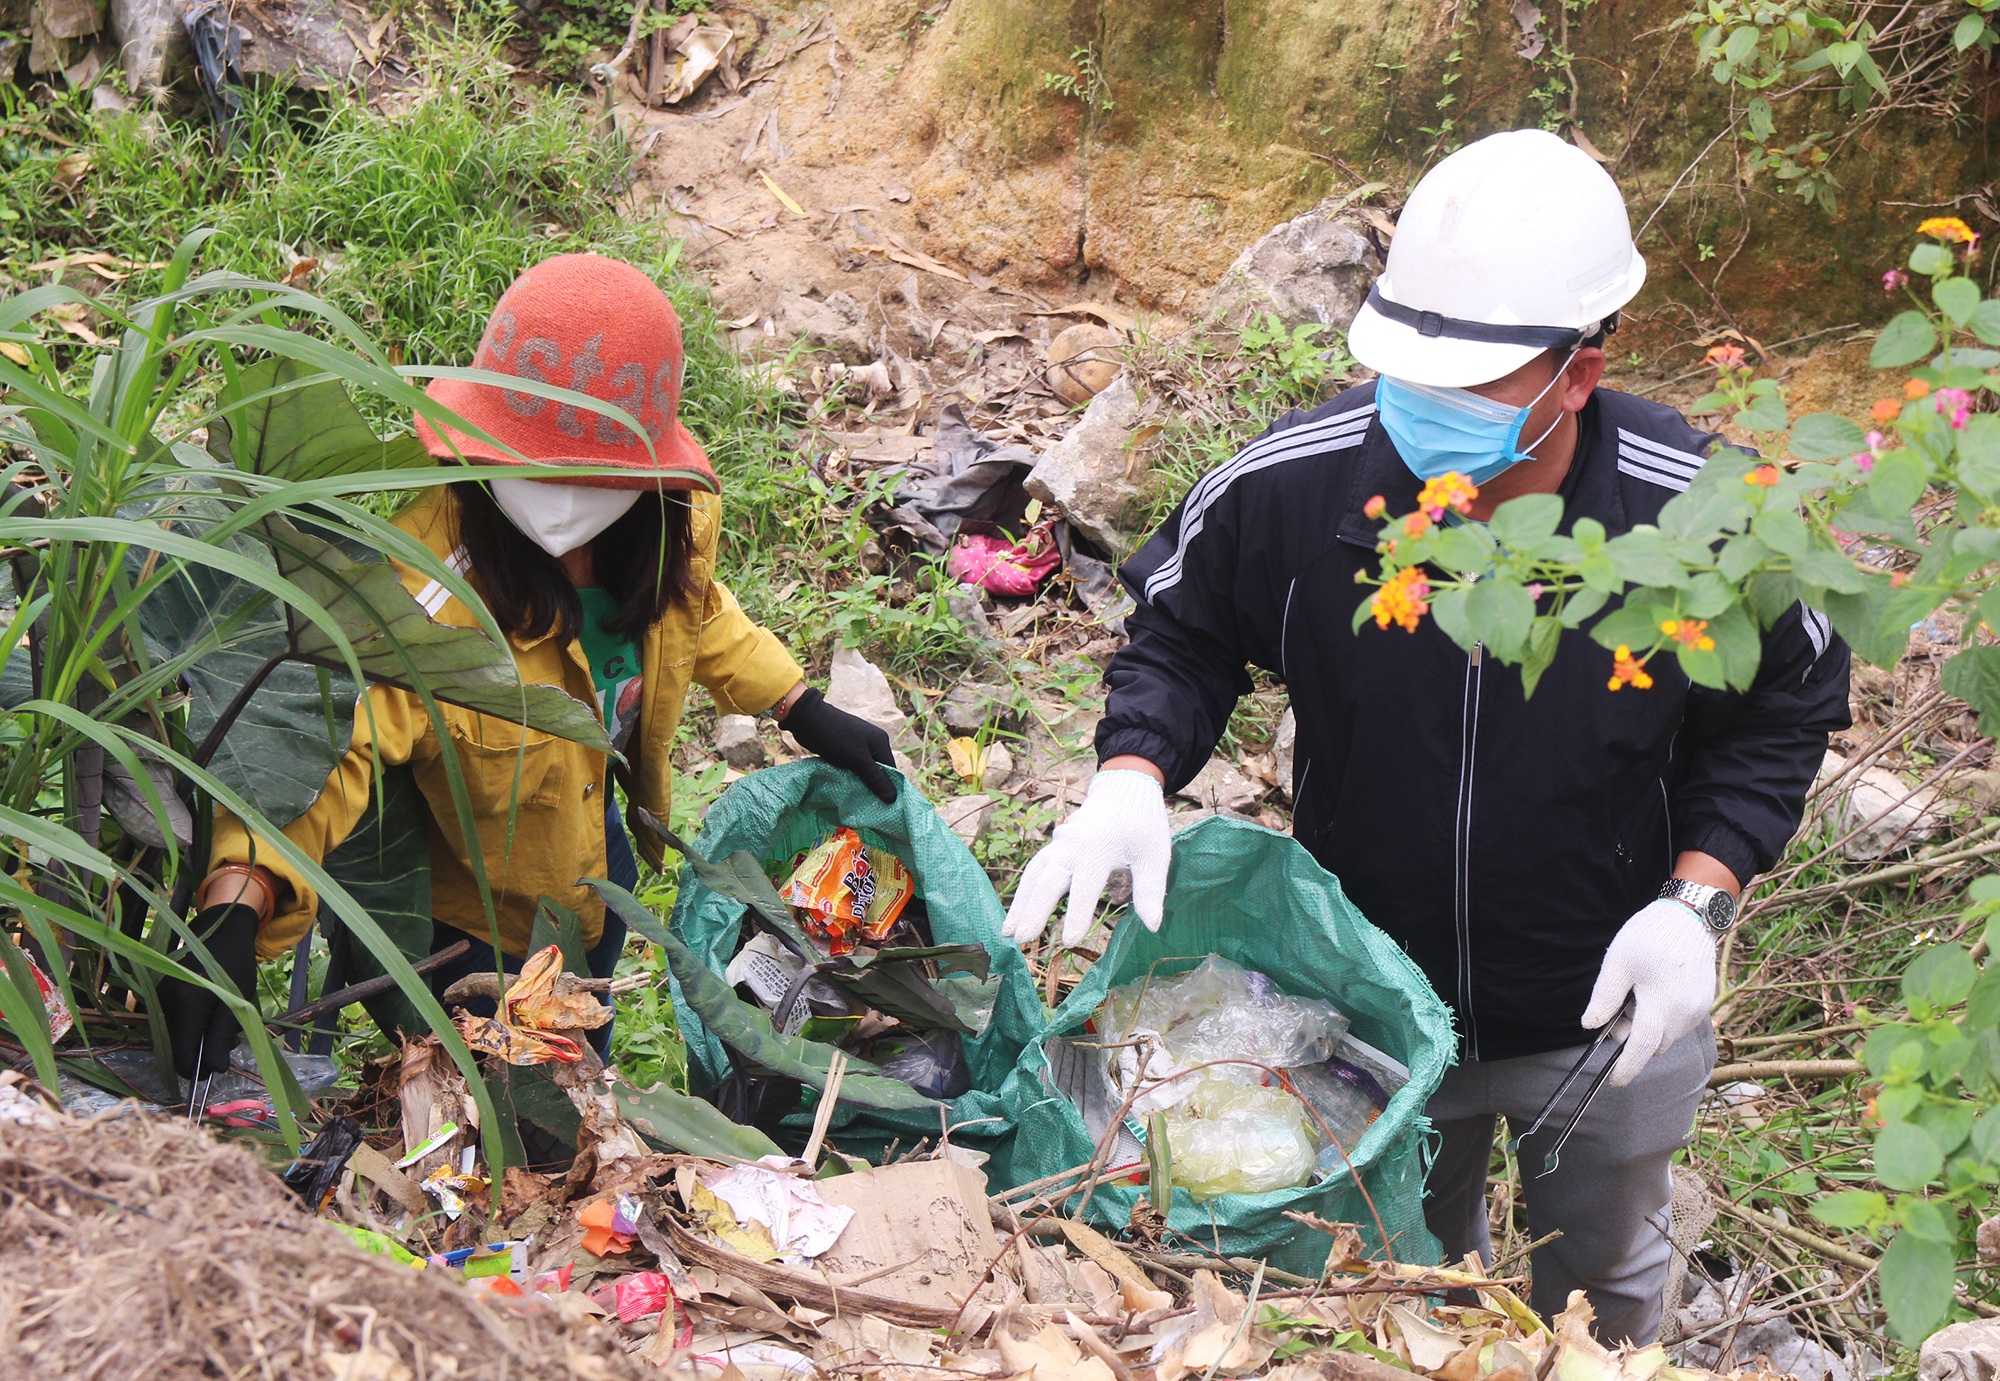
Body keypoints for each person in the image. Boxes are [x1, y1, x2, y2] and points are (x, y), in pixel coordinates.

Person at [1001, 130, 1851, 1343]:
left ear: (1576, 370)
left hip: (1605, 1001)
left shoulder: (1704, 513)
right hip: (1371, 1004)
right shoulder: (1293, 489)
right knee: (1393, 1286)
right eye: (1407, 373)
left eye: (1470, 386)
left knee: (1600, 1297)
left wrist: (1697, 902)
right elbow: (1181, 633)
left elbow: (1787, 700)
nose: (1422, 414)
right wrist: (1130, 773)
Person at [162, 253, 898, 1074]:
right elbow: (332, 742)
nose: (564, 496)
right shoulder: (421, 592)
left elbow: (695, 610)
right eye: (537, 464)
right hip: (478, 929)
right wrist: (242, 892)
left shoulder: (658, 520)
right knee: (515, 1129)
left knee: (589, 1046)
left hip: (596, 860)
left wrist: (795, 701)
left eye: (588, 473)